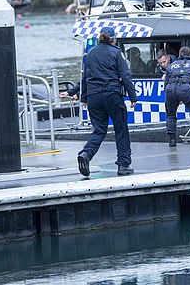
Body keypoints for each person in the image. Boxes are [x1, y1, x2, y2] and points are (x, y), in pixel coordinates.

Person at [59, 26, 137, 176]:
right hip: (112, 95)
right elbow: (126, 76)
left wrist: (82, 96)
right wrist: (133, 97)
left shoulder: (90, 53)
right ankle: (123, 165)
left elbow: (85, 77)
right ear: (113, 39)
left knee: (99, 131)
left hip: (94, 97)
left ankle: (86, 154)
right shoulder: (116, 53)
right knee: (121, 129)